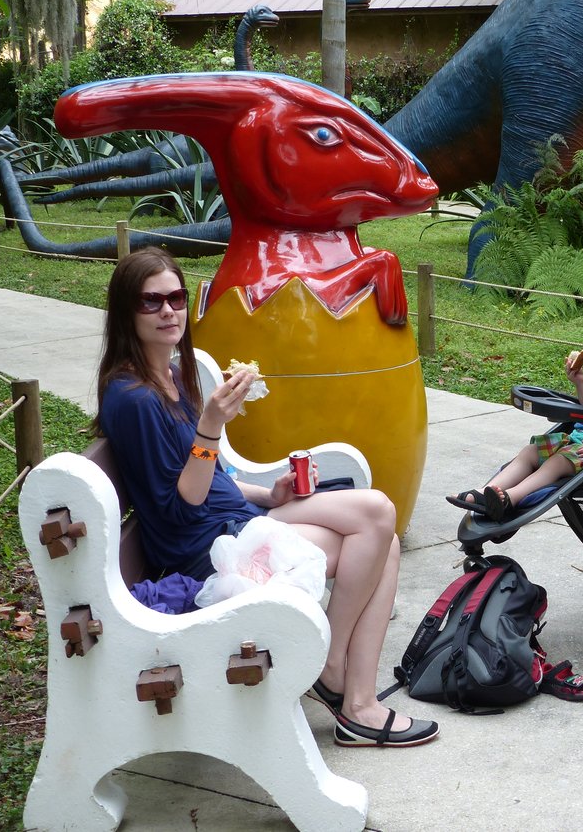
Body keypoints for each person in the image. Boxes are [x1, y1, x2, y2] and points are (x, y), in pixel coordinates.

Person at [93, 247, 438, 748]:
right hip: (206, 548)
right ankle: (341, 681)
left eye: (176, 297)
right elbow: (181, 503)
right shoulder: (132, 398)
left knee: (380, 522)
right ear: (127, 311)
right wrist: (211, 427)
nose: (169, 311)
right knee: (378, 533)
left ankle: (345, 683)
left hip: (234, 515)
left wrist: (267, 492)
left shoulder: (168, 375)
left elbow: (212, 480)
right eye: (151, 302)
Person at [448, 317, 583, 522]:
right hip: (577, 439)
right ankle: (483, 494)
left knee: (557, 462)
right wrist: (580, 382)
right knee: (530, 452)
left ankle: (510, 498)